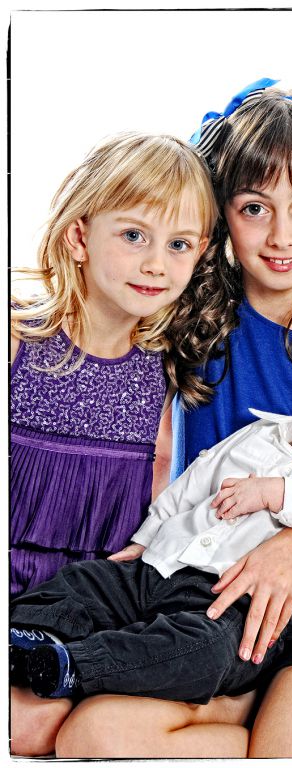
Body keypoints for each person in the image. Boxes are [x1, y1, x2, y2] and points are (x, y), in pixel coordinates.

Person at [15, 80, 292, 759]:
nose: (281, 235)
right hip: (201, 580)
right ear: (221, 217)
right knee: (92, 735)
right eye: (253, 207)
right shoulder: (186, 310)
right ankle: (249, 703)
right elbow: (125, 254)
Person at [10, 346, 292, 708]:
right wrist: (146, 538)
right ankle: (27, 635)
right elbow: (195, 480)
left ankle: (77, 665)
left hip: (233, 605)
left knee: (202, 653)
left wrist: (278, 493)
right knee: (85, 583)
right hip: (164, 563)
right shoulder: (265, 434)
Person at [10, 131, 217, 597]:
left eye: (178, 245)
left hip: (85, 611)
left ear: (200, 250)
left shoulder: (164, 374)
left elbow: (154, 513)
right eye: (133, 236)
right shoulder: (16, 339)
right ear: (79, 237)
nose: (156, 264)